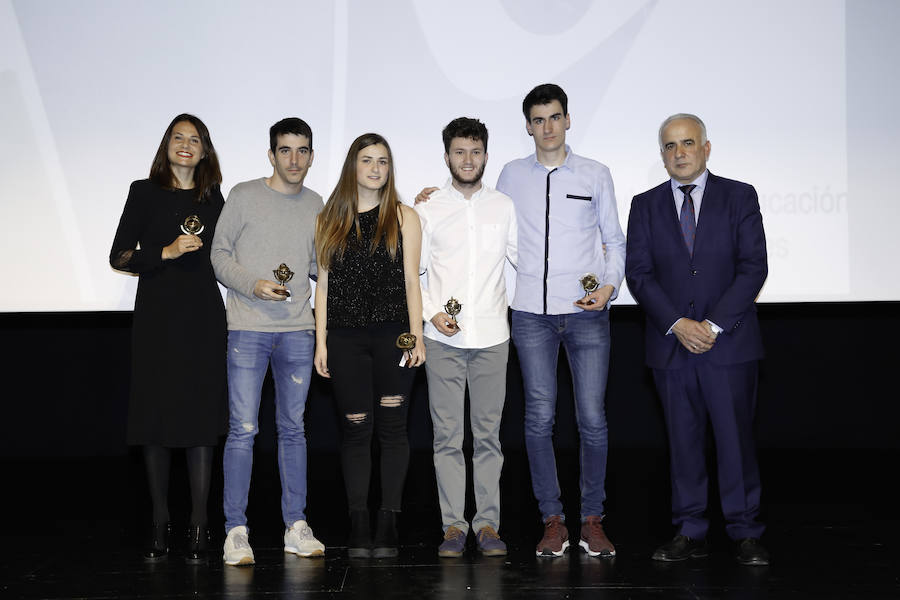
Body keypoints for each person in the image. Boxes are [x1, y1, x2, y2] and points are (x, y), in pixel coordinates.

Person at [416, 84, 625, 558]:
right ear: (528, 126)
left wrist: (609, 286)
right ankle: (552, 520)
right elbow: (472, 216)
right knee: (537, 421)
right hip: (530, 315)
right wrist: (428, 199)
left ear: (567, 120)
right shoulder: (509, 178)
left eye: (554, 117)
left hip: (586, 314)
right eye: (537, 120)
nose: (546, 127)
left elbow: (615, 239)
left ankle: (591, 519)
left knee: (592, 420)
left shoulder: (596, 174)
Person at [625, 114, 769, 566]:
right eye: (670, 146)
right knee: (682, 444)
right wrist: (678, 324)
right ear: (662, 154)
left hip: (729, 345)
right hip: (671, 346)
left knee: (735, 441)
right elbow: (639, 274)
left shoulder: (739, 196)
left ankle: (745, 532)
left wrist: (711, 326)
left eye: (688, 143)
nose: (679, 153)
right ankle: (689, 529)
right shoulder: (644, 204)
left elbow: (753, 267)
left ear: (707, 148)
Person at [110, 113, 226, 563]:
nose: (185, 145)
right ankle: (159, 521)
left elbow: (234, 250)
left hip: (203, 320)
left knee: (201, 422)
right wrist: (166, 251)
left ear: (204, 149)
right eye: (178, 137)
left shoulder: (215, 196)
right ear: (166, 145)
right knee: (154, 422)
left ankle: (200, 524)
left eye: (194, 139)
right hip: (157, 320)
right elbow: (119, 255)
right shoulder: (144, 192)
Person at [211, 117, 325, 566]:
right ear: (271, 154)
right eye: (285, 150)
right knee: (243, 430)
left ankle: (296, 525)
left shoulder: (317, 203)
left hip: (298, 330)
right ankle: (235, 530)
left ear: (312, 156)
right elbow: (218, 256)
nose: (294, 159)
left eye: (302, 151)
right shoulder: (243, 195)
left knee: (294, 430)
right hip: (248, 329)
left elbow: (322, 266)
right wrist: (253, 284)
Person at [314, 133, 424, 559]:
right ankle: (358, 522)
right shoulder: (327, 218)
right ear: (352, 167)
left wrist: (415, 337)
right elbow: (322, 285)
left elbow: (412, 281)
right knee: (356, 430)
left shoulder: (404, 216)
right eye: (367, 160)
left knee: (394, 430)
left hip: (394, 337)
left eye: (383, 161)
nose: (376, 168)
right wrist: (321, 342)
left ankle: (389, 521)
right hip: (344, 340)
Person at [415, 117, 517, 558]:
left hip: (493, 335)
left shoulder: (505, 206)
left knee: (489, 437)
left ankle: (488, 524)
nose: (467, 159)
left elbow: (522, 263)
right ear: (447, 156)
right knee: (447, 438)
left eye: (475, 152)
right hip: (442, 340)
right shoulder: (428, 207)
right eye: (459, 152)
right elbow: (412, 274)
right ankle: (453, 527)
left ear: (485, 156)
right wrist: (432, 313)